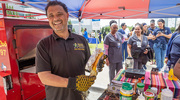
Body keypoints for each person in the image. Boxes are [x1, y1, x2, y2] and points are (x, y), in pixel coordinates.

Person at [36, 1, 95, 100]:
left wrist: (98, 61)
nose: (55, 18)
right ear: (48, 19)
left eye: (59, 14)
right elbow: (44, 77)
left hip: (80, 97)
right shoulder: (43, 45)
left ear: (67, 16)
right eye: (51, 15)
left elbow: (88, 65)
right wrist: (73, 82)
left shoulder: (81, 40)